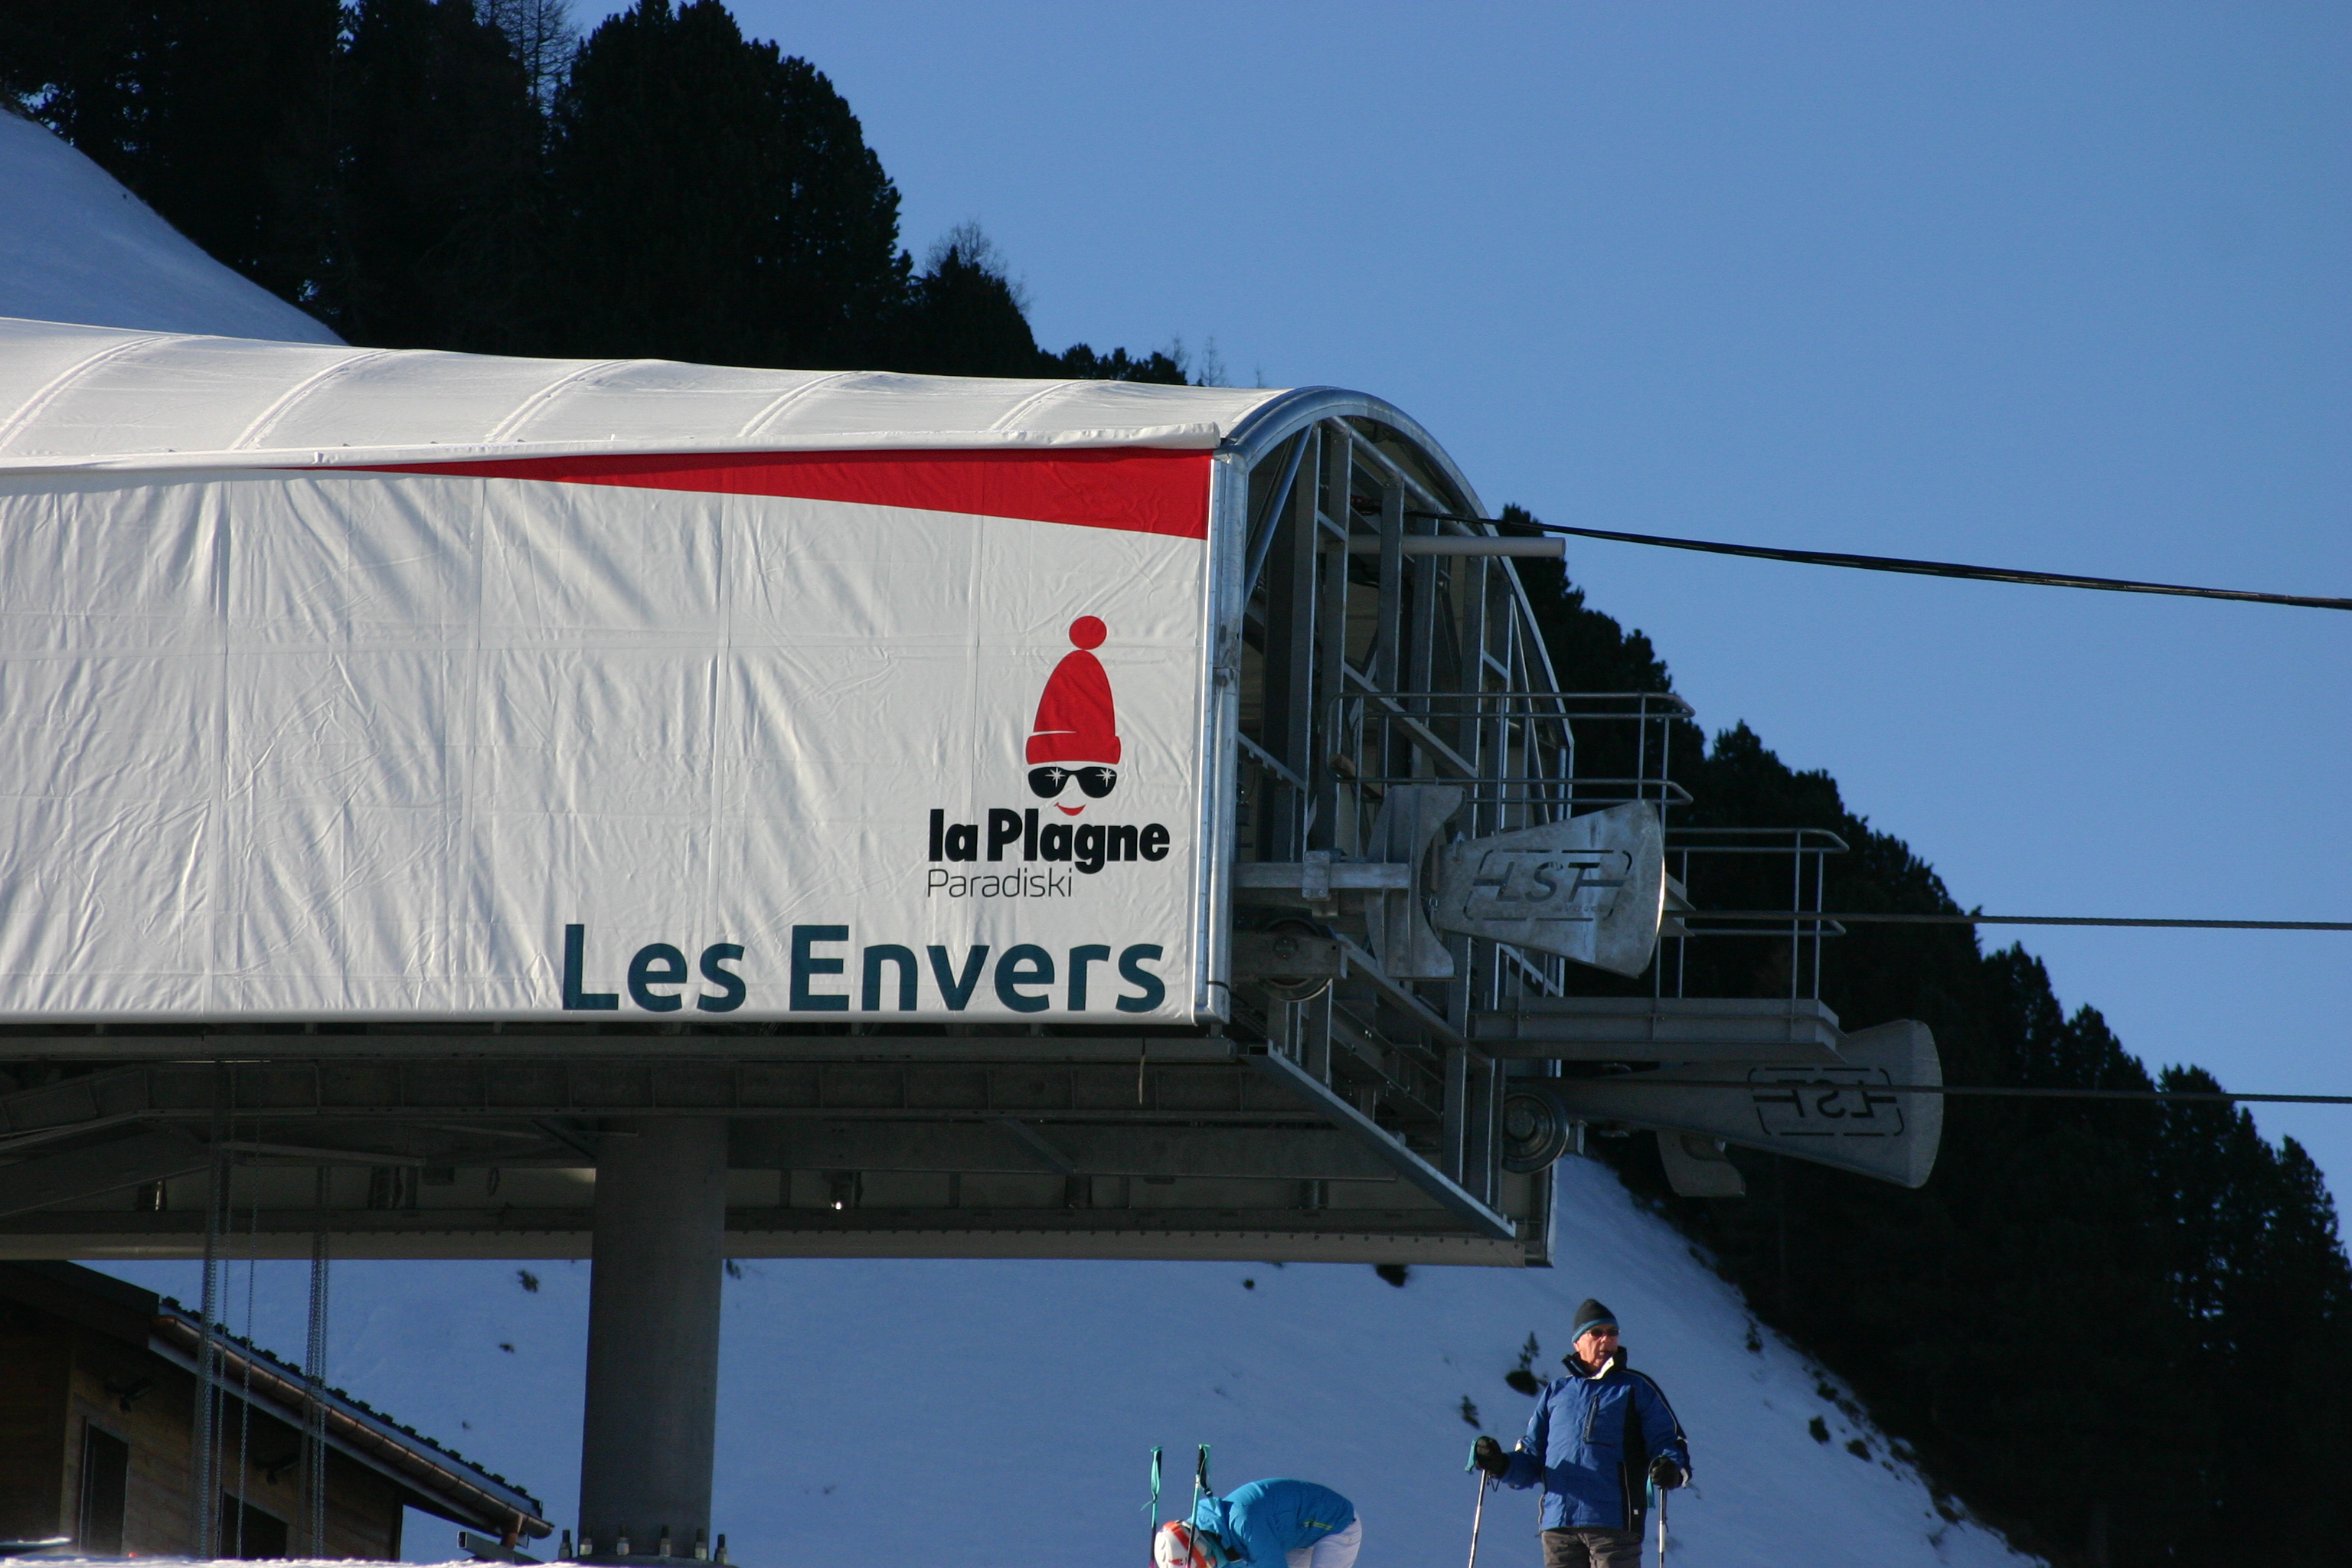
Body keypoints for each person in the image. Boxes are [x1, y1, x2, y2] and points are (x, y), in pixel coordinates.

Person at [1472, 1298, 1689, 1568]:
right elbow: (1533, 1458)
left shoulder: (1636, 1387)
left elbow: (1668, 1441)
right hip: (1559, 1524)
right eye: (1597, 1332)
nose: (1606, 1339)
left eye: (1612, 1332)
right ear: (1577, 1342)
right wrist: (1500, 1464)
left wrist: (1670, 1467)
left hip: (1614, 1522)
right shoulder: (1557, 1392)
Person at [1155, 1478, 1360, 1568]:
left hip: (1335, 1525)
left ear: (1202, 1545)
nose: (1211, 1566)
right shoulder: (1216, 1542)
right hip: (1295, 1540)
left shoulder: (1244, 1521)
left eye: (1206, 1564)